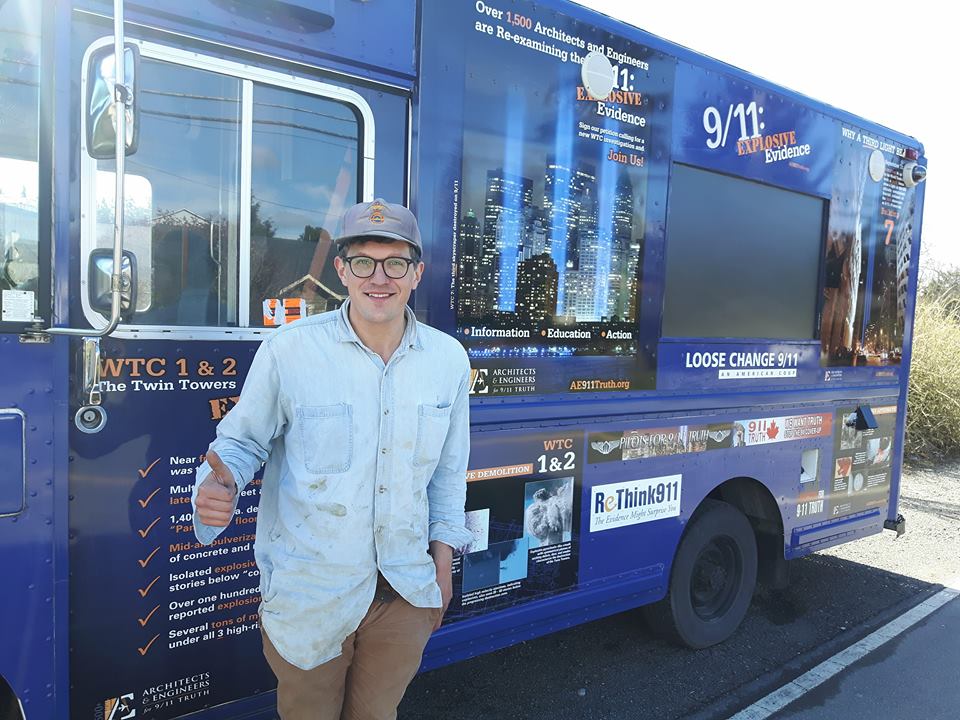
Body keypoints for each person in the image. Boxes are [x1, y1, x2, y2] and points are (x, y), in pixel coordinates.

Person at [191, 199, 473, 720]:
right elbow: (241, 443)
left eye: (395, 263)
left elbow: (448, 473)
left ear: (417, 274)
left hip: (405, 590)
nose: (379, 278)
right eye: (363, 262)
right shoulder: (290, 351)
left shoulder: (448, 360)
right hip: (311, 594)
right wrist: (217, 484)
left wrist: (442, 562)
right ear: (342, 270)